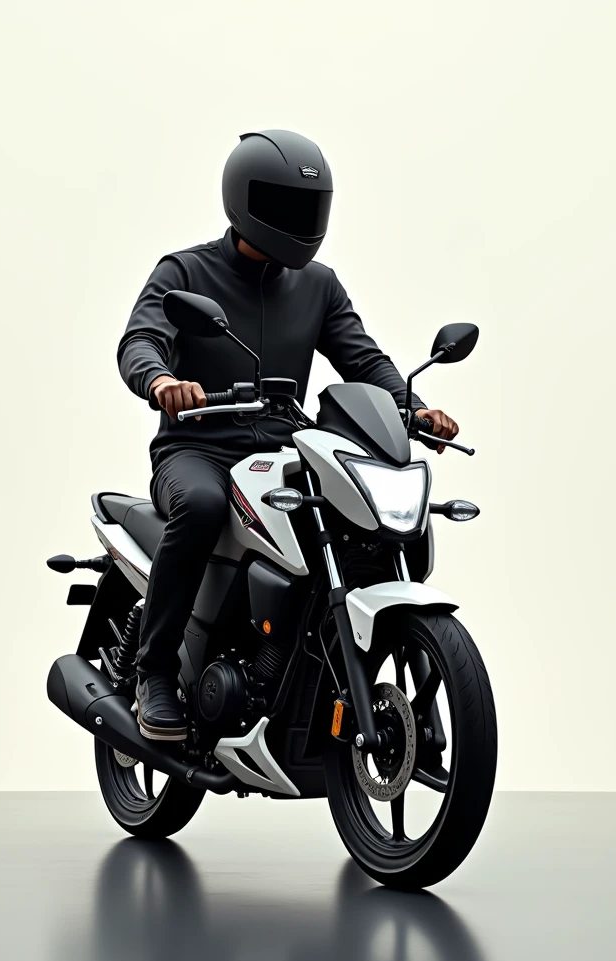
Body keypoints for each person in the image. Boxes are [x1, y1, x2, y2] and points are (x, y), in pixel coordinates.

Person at [118, 129, 459, 742]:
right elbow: (140, 340)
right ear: (246, 200)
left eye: (312, 207)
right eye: (287, 207)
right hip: (197, 448)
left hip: (281, 449)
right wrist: (161, 379)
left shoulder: (318, 284)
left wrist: (417, 408)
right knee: (199, 507)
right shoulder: (186, 271)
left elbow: (365, 362)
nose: (303, 221)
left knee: (359, 520)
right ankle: (155, 674)